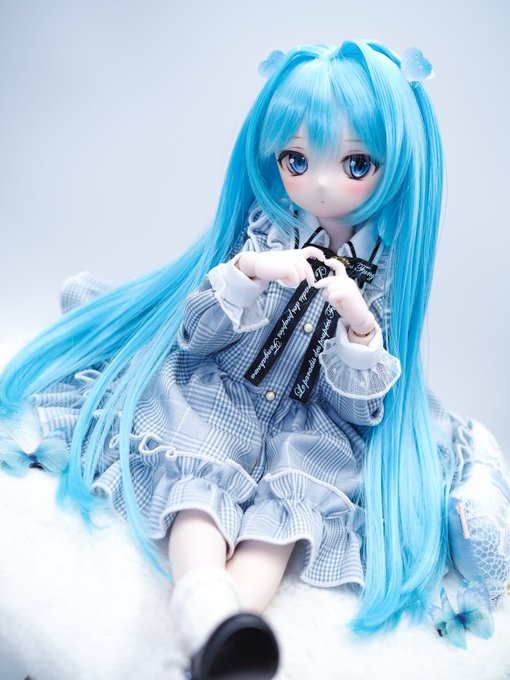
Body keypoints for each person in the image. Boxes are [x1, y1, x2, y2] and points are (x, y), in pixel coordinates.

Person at [1, 39, 509, 679]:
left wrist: (358, 326)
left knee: (283, 524)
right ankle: (203, 606)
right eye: (297, 159)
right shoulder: (261, 235)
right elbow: (198, 337)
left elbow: (360, 407)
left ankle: (223, 641)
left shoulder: (383, 281)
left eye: (356, 163)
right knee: (199, 487)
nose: (320, 182)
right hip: (222, 396)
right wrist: (249, 272)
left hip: (309, 433)